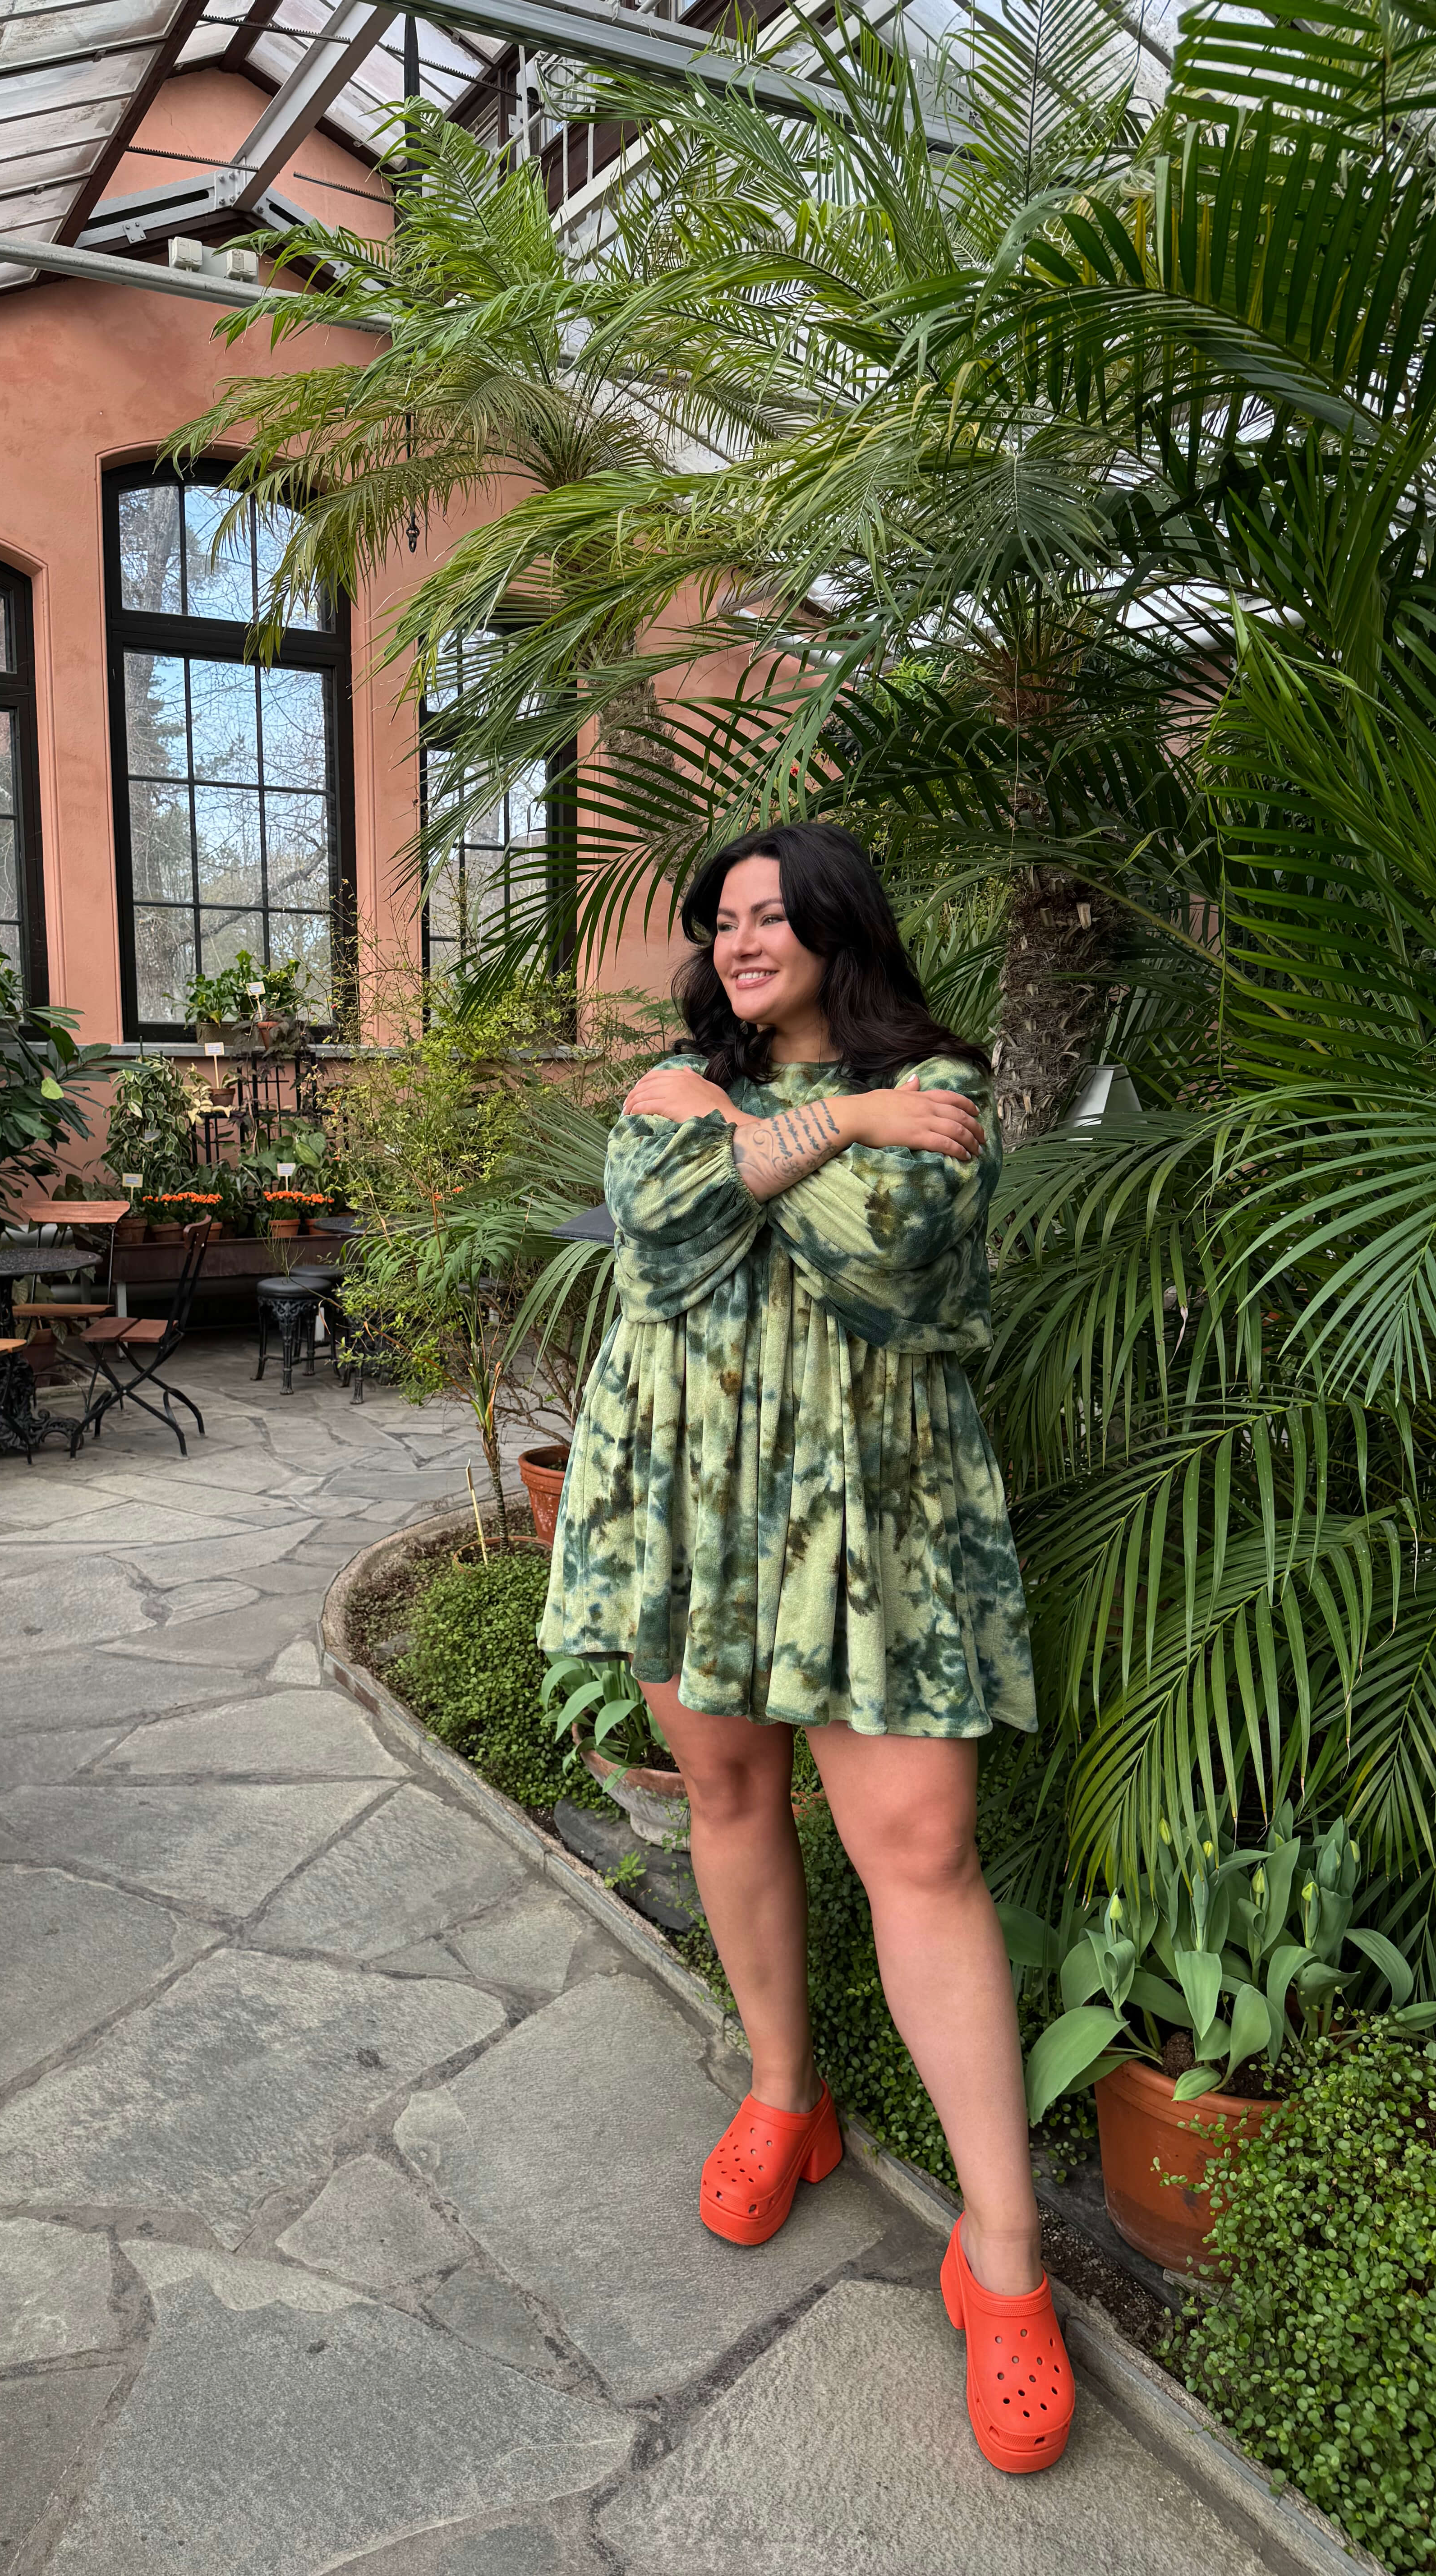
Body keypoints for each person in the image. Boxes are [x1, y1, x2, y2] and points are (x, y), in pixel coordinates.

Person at [540, 821, 1073, 2477]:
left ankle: (1003, 2260)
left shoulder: (946, 1090)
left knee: (921, 1850)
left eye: (773, 915)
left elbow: (880, 1257)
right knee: (723, 1795)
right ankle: (786, 2093)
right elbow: (658, 1229)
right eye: (722, 920)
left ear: (842, 930)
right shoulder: (685, 1088)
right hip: (686, 1496)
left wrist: (765, 1150)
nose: (740, 940)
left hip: (869, 1511)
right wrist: (833, 1123)